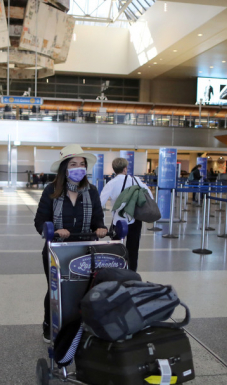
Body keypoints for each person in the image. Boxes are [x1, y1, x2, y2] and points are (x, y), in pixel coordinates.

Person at [34, 145, 107, 343]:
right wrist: (54, 231)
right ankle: (50, 326)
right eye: (73, 164)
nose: (79, 168)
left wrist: (100, 228)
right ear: (65, 168)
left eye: (82, 164)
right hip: (57, 250)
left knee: (84, 288)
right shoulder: (52, 190)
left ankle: (79, 327)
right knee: (56, 289)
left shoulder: (91, 191)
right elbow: (39, 221)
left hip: (85, 248)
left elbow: (98, 219)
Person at [100, 157, 153, 272]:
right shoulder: (136, 180)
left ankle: (116, 271)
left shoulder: (112, 183)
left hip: (118, 221)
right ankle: (132, 273)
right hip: (135, 219)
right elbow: (150, 196)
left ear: (114, 170)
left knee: (115, 248)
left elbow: (100, 202)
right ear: (125, 168)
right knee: (133, 249)